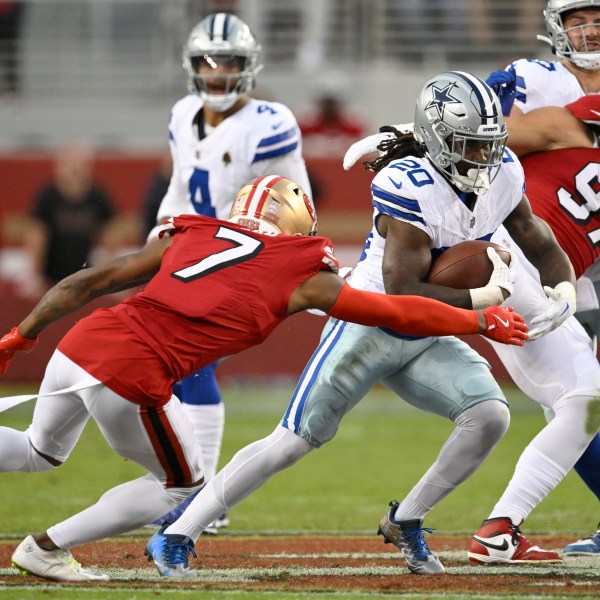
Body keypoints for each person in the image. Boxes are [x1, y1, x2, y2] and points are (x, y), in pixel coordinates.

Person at [144, 71, 581, 577]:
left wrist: (563, 285)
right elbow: (404, 290)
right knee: (291, 441)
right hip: (370, 320)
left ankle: (406, 520)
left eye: (490, 145)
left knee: (489, 417)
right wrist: (483, 306)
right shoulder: (408, 184)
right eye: (469, 146)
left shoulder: (502, 170)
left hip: (425, 330)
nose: (485, 158)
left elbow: (535, 235)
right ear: (439, 142)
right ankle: (177, 533)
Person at [0, 175, 526, 582]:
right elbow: (396, 313)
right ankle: (45, 548)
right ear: (296, 217)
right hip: (132, 370)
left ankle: (48, 546)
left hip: (80, 343)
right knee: (181, 487)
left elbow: (89, 281)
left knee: (38, 451)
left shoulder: (191, 235)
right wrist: (477, 318)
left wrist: (17, 337)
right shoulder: (300, 268)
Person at [150, 12, 314, 533]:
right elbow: (180, 186)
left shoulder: (269, 122)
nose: (218, 73)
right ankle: (197, 490)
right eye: (207, 62)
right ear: (192, 66)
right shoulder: (182, 114)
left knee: (195, 367)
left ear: (250, 67)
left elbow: (293, 202)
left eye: (230, 63)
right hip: (195, 253)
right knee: (173, 370)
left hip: (245, 256)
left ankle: (203, 496)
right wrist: (161, 233)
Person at [485, 0, 600, 557]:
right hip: (534, 243)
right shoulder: (532, 81)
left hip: (580, 249)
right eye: (579, 19)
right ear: (557, 28)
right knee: (577, 397)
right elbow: (478, 138)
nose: (592, 28)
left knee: (579, 396)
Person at [20, 141, 116, 300]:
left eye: (81, 165)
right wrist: (35, 276)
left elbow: (110, 236)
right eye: (70, 165)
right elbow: (36, 236)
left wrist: (111, 277)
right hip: (51, 275)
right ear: (58, 168)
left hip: (84, 275)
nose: (75, 170)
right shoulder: (47, 196)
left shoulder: (98, 196)